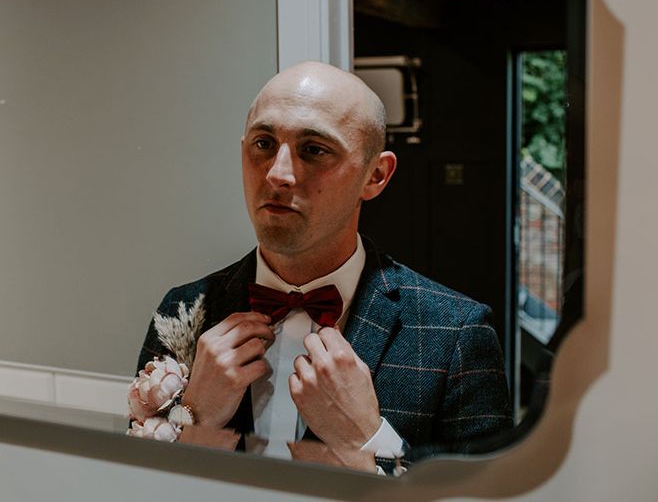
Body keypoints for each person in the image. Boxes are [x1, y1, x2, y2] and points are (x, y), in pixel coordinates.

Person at [136, 61, 511, 471]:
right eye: (263, 144)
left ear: (376, 175)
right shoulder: (184, 311)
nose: (277, 174)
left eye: (314, 150)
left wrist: (363, 440)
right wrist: (195, 420)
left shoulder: (456, 334)